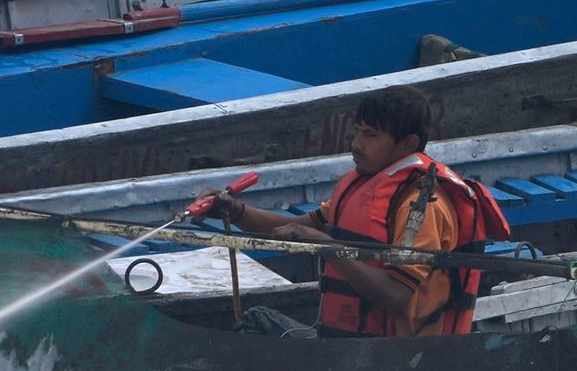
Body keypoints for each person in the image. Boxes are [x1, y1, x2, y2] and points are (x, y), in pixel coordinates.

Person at [200, 86, 511, 337]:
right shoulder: (365, 183)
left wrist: (330, 248)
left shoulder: (423, 204)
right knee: (256, 322)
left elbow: (396, 295)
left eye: (371, 135)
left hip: (397, 360)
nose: (356, 144)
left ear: (407, 144)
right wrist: (234, 210)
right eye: (358, 132)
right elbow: (293, 229)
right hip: (340, 346)